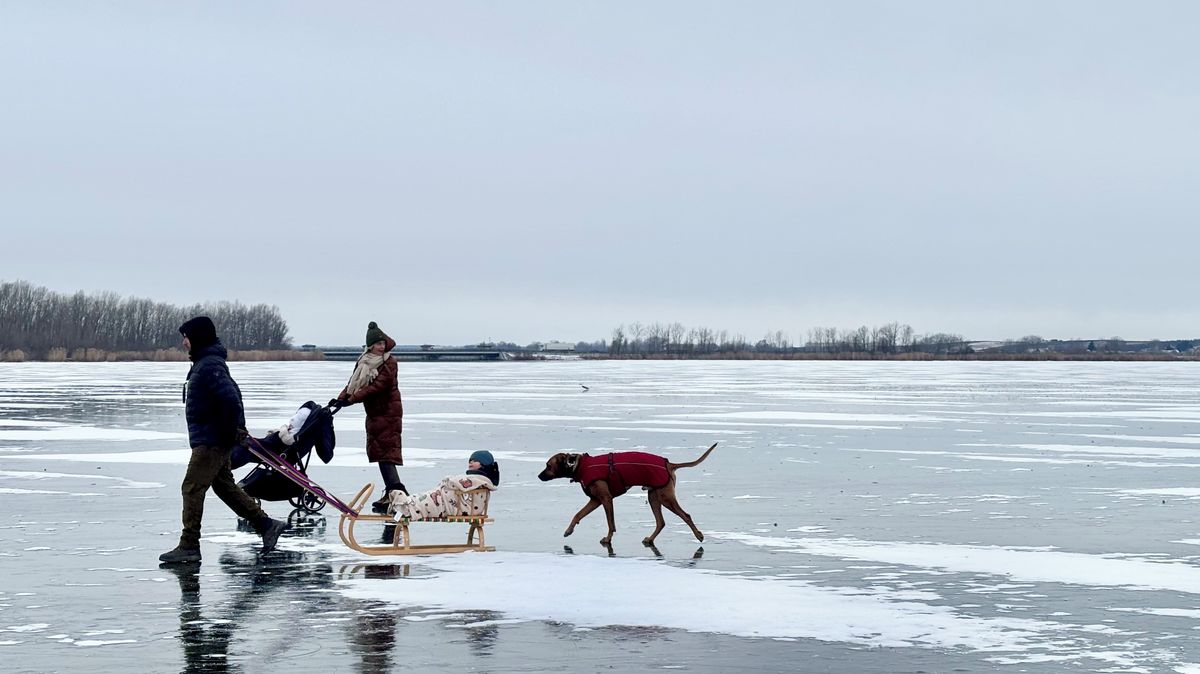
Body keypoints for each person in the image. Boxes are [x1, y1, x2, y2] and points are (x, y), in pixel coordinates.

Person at [159, 316, 289, 564]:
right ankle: (266, 525)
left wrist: (233, 431)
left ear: (197, 337)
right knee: (225, 487)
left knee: (192, 487)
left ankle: (189, 545)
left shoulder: (209, 366)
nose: (184, 343)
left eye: (186, 337)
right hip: (212, 437)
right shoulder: (205, 363)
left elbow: (231, 400)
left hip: (213, 440)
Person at [330, 321, 405, 513]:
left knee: (387, 455)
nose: (381, 347)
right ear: (370, 346)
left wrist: (351, 400)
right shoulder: (364, 361)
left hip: (389, 413)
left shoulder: (389, 362)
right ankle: (391, 494)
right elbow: (353, 382)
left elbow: (376, 387)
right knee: (381, 454)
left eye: (383, 343)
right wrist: (340, 399)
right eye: (378, 344)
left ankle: (398, 496)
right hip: (375, 414)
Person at [388, 450, 500, 521]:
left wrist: (447, 480)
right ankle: (405, 504)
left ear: (484, 464)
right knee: (425, 497)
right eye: (470, 460)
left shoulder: (478, 480)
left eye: (475, 461)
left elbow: (458, 483)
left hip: (455, 507)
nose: (470, 462)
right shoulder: (478, 480)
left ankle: (405, 507)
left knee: (428, 501)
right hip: (456, 503)